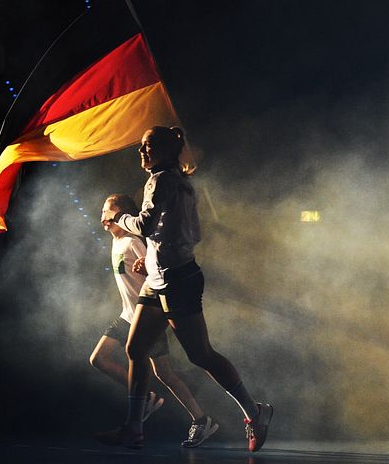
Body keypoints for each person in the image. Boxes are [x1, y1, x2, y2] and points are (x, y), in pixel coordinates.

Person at [95, 126, 272, 451]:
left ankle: (253, 410)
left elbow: (146, 224)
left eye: (148, 146)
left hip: (176, 279)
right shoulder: (178, 182)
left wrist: (122, 217)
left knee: (200, 354)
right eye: (142, 147)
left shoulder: (162, 180)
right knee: (136, 350)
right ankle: (133, 428)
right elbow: (188, 232)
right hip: (160, 278)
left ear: (165, 149)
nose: (142, 152)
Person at [91, 194, 219, 448]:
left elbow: (157, 265)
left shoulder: (131, 241)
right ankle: (150, 400)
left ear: (124, 216)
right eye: (103, 211)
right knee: (101, 359)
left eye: (109, 211)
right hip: (127, 314)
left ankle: (199, 418)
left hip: (146, 315)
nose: (103, 216)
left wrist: (145, 264)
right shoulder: (116, 243)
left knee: (164, 373)